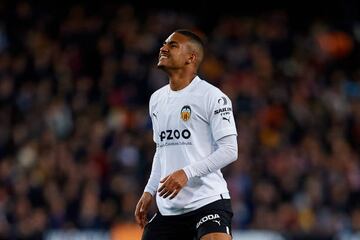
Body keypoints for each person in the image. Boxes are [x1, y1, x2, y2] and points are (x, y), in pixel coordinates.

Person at [134, 29, 238, 240]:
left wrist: (187, 173)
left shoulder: (213, 97)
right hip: (169, 209)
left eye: (172, 45)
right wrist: (149, 191)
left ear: (191, 57)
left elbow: (230, 150)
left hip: (207, 201)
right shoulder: (156, 99)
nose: (163, 48)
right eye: (164, 44)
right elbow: (161, 151)